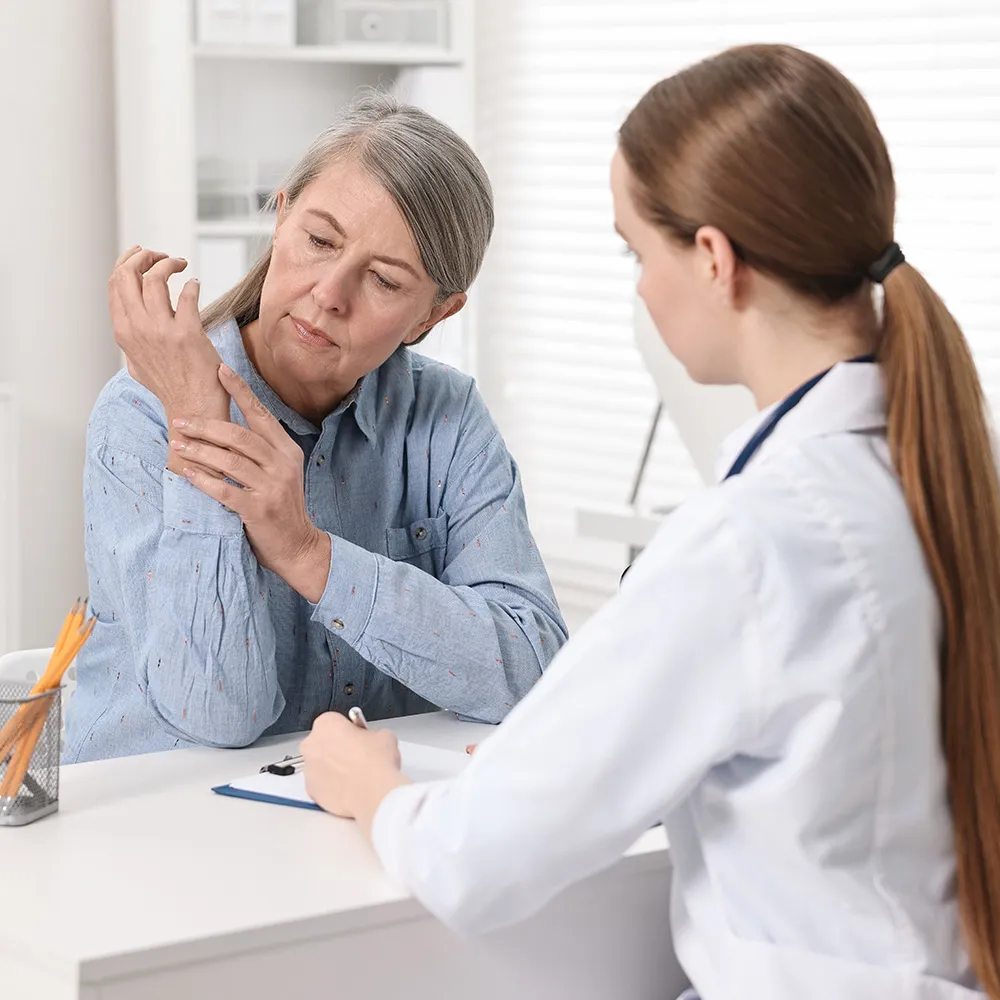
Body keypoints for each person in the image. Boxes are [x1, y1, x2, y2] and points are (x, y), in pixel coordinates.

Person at [299, 45, 1000, 1000]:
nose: (636, 287)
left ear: (713, 259)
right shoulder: (940, 474)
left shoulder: (750, 541)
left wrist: (370, 783)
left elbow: (472, 860)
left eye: (638, 250)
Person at [65, 93, 567, 763]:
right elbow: (214, 714)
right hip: (151, 823)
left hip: (347, 824)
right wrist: (200, 424)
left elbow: (534, 664)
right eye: (319, 241)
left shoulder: (446, 419)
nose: (331, 292)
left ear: (433, 317)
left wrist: (307, 553)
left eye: (384, 280)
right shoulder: (142, 414)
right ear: (281, 217)